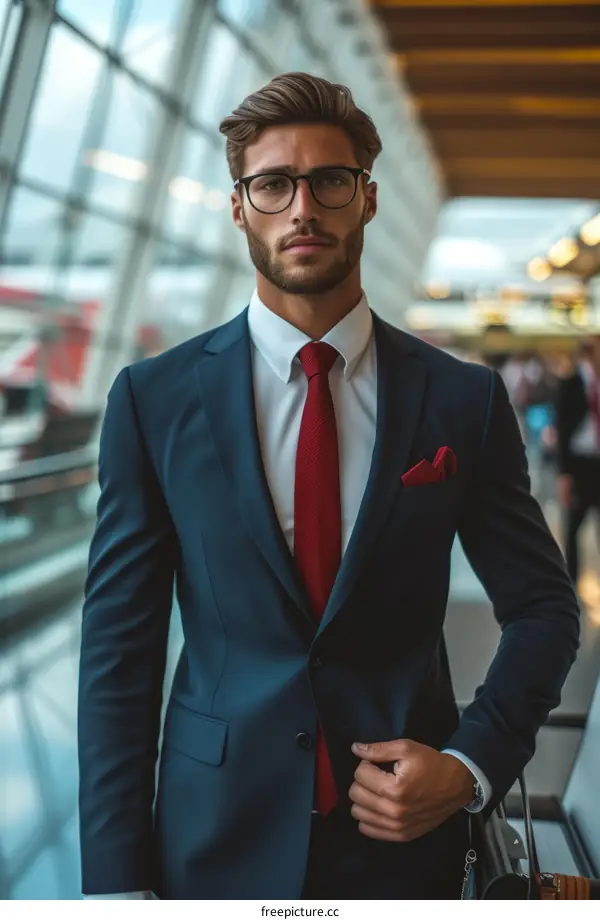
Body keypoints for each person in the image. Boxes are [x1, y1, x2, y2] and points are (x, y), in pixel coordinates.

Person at [78, 73, 580, 900]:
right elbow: (117, 657)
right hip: (210, 836)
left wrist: (469, 764)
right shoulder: (152, 399)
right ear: (239, 207)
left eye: (329, 181)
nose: (302, 209)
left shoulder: (462, 400)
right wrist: (111, 887)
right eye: (273, 184)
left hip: (401, 836)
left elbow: (546, 608)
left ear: (369, 200)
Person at [555, 337, 600, 585]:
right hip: (580, 465)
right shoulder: (571, 384)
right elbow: (562, 429)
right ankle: (571, 580)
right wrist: (564, 473)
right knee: (573, 525)